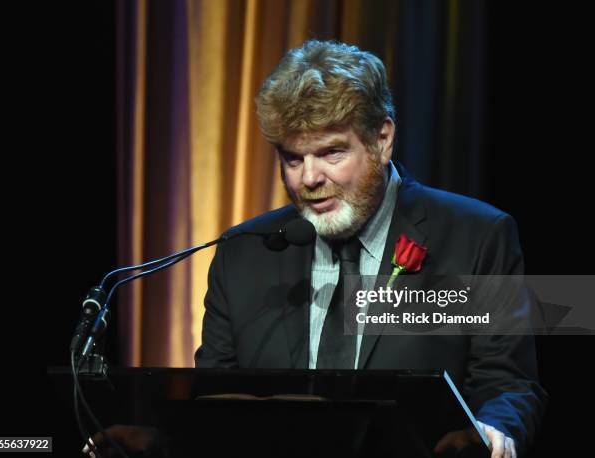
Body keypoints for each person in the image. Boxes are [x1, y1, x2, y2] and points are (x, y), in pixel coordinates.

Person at [194, 40, 546, 458]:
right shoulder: (243, 253)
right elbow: (212, 402)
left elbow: (507, 383)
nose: (308, 178)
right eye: (293, 159)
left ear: (382, 139)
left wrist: (496, 429)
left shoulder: (477, 236)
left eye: (331, 152)